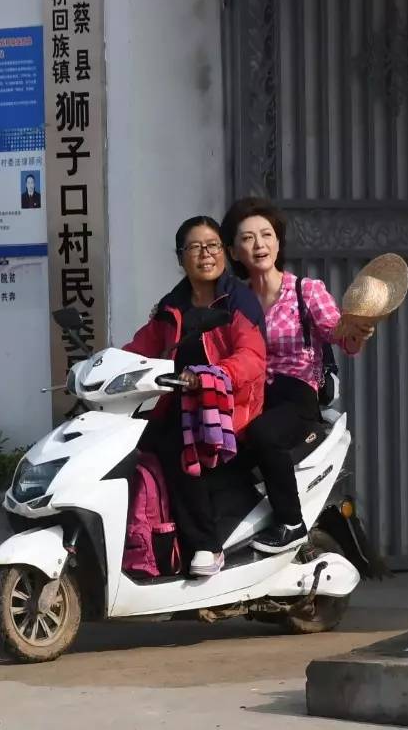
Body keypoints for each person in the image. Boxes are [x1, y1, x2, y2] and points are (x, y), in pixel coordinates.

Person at [220, 197, 375, 555]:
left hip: (295, 393)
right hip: (249, 395)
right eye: (247, 238)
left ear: (278, 242)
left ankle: (291, 522)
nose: (259, 245)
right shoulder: (233, 299)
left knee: (264, 434)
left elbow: (338, 333)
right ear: (233, 250)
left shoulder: (307, 290)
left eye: (266, 235)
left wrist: (356, 332)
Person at [124, 216, 267, 577]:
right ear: (180, 256)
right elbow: (141, 348)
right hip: (179, 406)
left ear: (224, 252)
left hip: (229, 407)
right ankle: (149, 542)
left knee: (178, 444)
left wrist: (213, 375)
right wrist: (101, 366)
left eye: (213, 245)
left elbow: (252, 356)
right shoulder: (172, 305)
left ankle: (207, 544)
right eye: (195, 247)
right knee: (132, 443)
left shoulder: (238, 301)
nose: (206, 254)